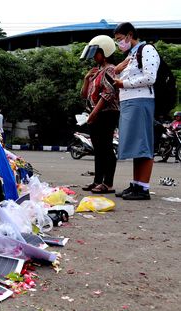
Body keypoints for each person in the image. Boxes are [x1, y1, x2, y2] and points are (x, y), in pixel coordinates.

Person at [113, 22, 160, 200]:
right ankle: (136, 184)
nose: (119, 44)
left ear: (129, 35)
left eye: (119, 39)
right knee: (136, 146)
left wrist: (122, 83)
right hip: (129, 101)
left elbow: (150, 77)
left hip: (141, 101)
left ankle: (144, 188)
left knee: (144, 145)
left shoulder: (146, 49)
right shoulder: (131, 54)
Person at [79, 35, 120, 194]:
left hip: (107, 113)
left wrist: (94, 113)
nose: (94, 56)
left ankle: (108, 183)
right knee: (98, 149)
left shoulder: (110, 69)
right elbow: (84, 95)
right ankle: (97, 181)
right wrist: (86, 79)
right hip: (95, 114)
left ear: (105, 51)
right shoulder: (96, 71)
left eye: (97, 53)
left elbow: (108, 94)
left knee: (106, 148)